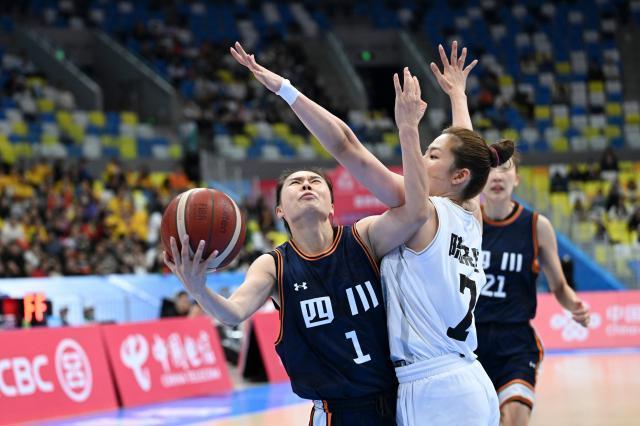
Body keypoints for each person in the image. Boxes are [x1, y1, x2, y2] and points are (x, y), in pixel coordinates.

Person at [231, 40, 503, 425]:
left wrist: (287, 91)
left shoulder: (422, 211)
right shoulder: (471, 212)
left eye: (432, 155)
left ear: (457, 176)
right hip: (472, 379)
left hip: (432, 387)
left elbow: (346, 146)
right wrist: (458, 96)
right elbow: (469, 158)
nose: (422, 158)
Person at [166, 66, 431, 426]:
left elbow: (416, 211)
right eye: (295, 183)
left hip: (400, 403)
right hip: (336, 412)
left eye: (315, 181)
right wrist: (198, 289)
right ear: (279, 211)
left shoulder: (364, 237)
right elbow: (233, 312)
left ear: (332, 205)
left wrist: (408, 129)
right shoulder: (273, 265)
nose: (306, 184)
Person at [475, 154, 591, 425]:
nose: (498, 175)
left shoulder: (537, 226)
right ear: (480, 179)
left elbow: (559, 286)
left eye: (506, 169)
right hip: (470, 343)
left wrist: (574, 305)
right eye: (491, 170)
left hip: (515, 343)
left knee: (515, 417)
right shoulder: (466, 222)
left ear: (516, 179)